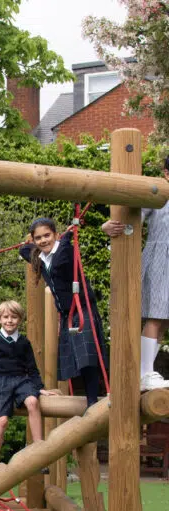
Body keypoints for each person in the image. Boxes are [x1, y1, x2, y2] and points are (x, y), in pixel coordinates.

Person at [19, 217, 107, 408]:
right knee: (77, 356)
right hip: (67, 313)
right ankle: (89, 397)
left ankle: (94, 398)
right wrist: (28, 243)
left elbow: (62, 259)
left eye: (47, 236)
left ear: (56, 235)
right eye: (39, 238)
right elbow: (23, 250)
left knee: (88, 355)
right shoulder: (40, 258)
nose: (43, 241)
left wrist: (67, 237)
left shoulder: (66, 250)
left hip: (82, 306)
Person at [101, 156, 169, 390]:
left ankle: (145, 371)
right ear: (166, 173)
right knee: (156, 315)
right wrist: (108, 227)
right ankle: (144, 372)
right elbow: (132, 219)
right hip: (161, 258)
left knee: (164, 320)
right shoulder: (157, 194)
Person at [0, 300, 57, 468]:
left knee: (33, 402)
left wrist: (40, 388)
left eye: (13, 317)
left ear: (20, 319)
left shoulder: (24, 343)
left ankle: (39, 453)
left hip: (21, 380)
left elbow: (32, 368)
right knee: (2, 420)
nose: (9, 321)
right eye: (5, 317)